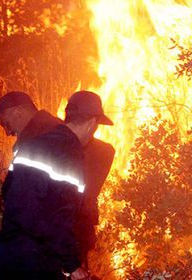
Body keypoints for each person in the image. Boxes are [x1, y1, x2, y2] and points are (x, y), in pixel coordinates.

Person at [0, 91, 98, 280]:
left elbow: (16, 197)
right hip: (36, 258)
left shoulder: (43, 139)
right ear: (92, 123)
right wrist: (71, 262)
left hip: (22, 255)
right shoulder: (61, 142)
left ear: (18, 111)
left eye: (5, 123)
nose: (7, 131)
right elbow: (57, 212)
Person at [64, 91, 115, 276]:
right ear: (94, 123)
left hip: (72, 235)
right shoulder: (105, 152)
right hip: (70, 237)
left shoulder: (103, 152)